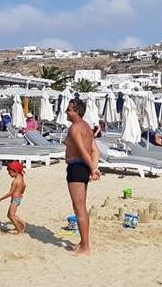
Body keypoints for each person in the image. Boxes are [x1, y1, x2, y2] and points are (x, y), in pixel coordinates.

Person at [64, 98, 101, 255]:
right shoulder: (87, 127)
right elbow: (95, 151)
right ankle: (82, 243)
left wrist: (93, 169)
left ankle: (86, 247)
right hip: (82, 167)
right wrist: (93, 167)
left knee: (80, 209)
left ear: (77, 111)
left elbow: (82, 150)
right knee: (79, 207)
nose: (66, 112)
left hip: (77, 167)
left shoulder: (75, 128)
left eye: (69, 109)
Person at [0, 161, 26, 234]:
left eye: (10, 172)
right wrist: (21, 193)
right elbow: (24, 186)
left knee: (11, 215)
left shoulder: (15, 181)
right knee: (10, 215)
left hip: (15, 200)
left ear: (16, 171)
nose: (9, 174)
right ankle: (22, 223)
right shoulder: (21, 178)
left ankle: (20, 231)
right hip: (17, 198)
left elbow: (10, 193)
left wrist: (0, 199)